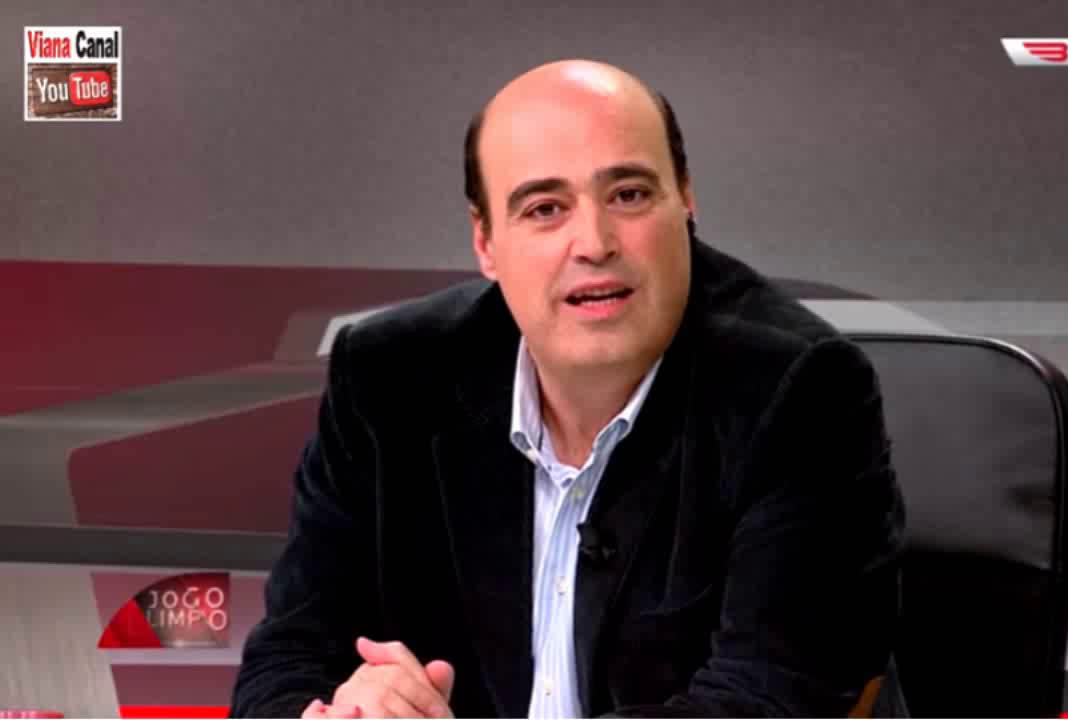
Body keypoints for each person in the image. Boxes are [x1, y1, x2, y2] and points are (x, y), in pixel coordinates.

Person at [230, 59, 905, 719]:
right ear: (485, 242)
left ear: (686, 199)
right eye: (545, 208)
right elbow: (287, 657)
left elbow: (767, 699)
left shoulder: (799, 391)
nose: (594, 242)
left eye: (629, 195)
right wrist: (336, 714)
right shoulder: (389, 379)